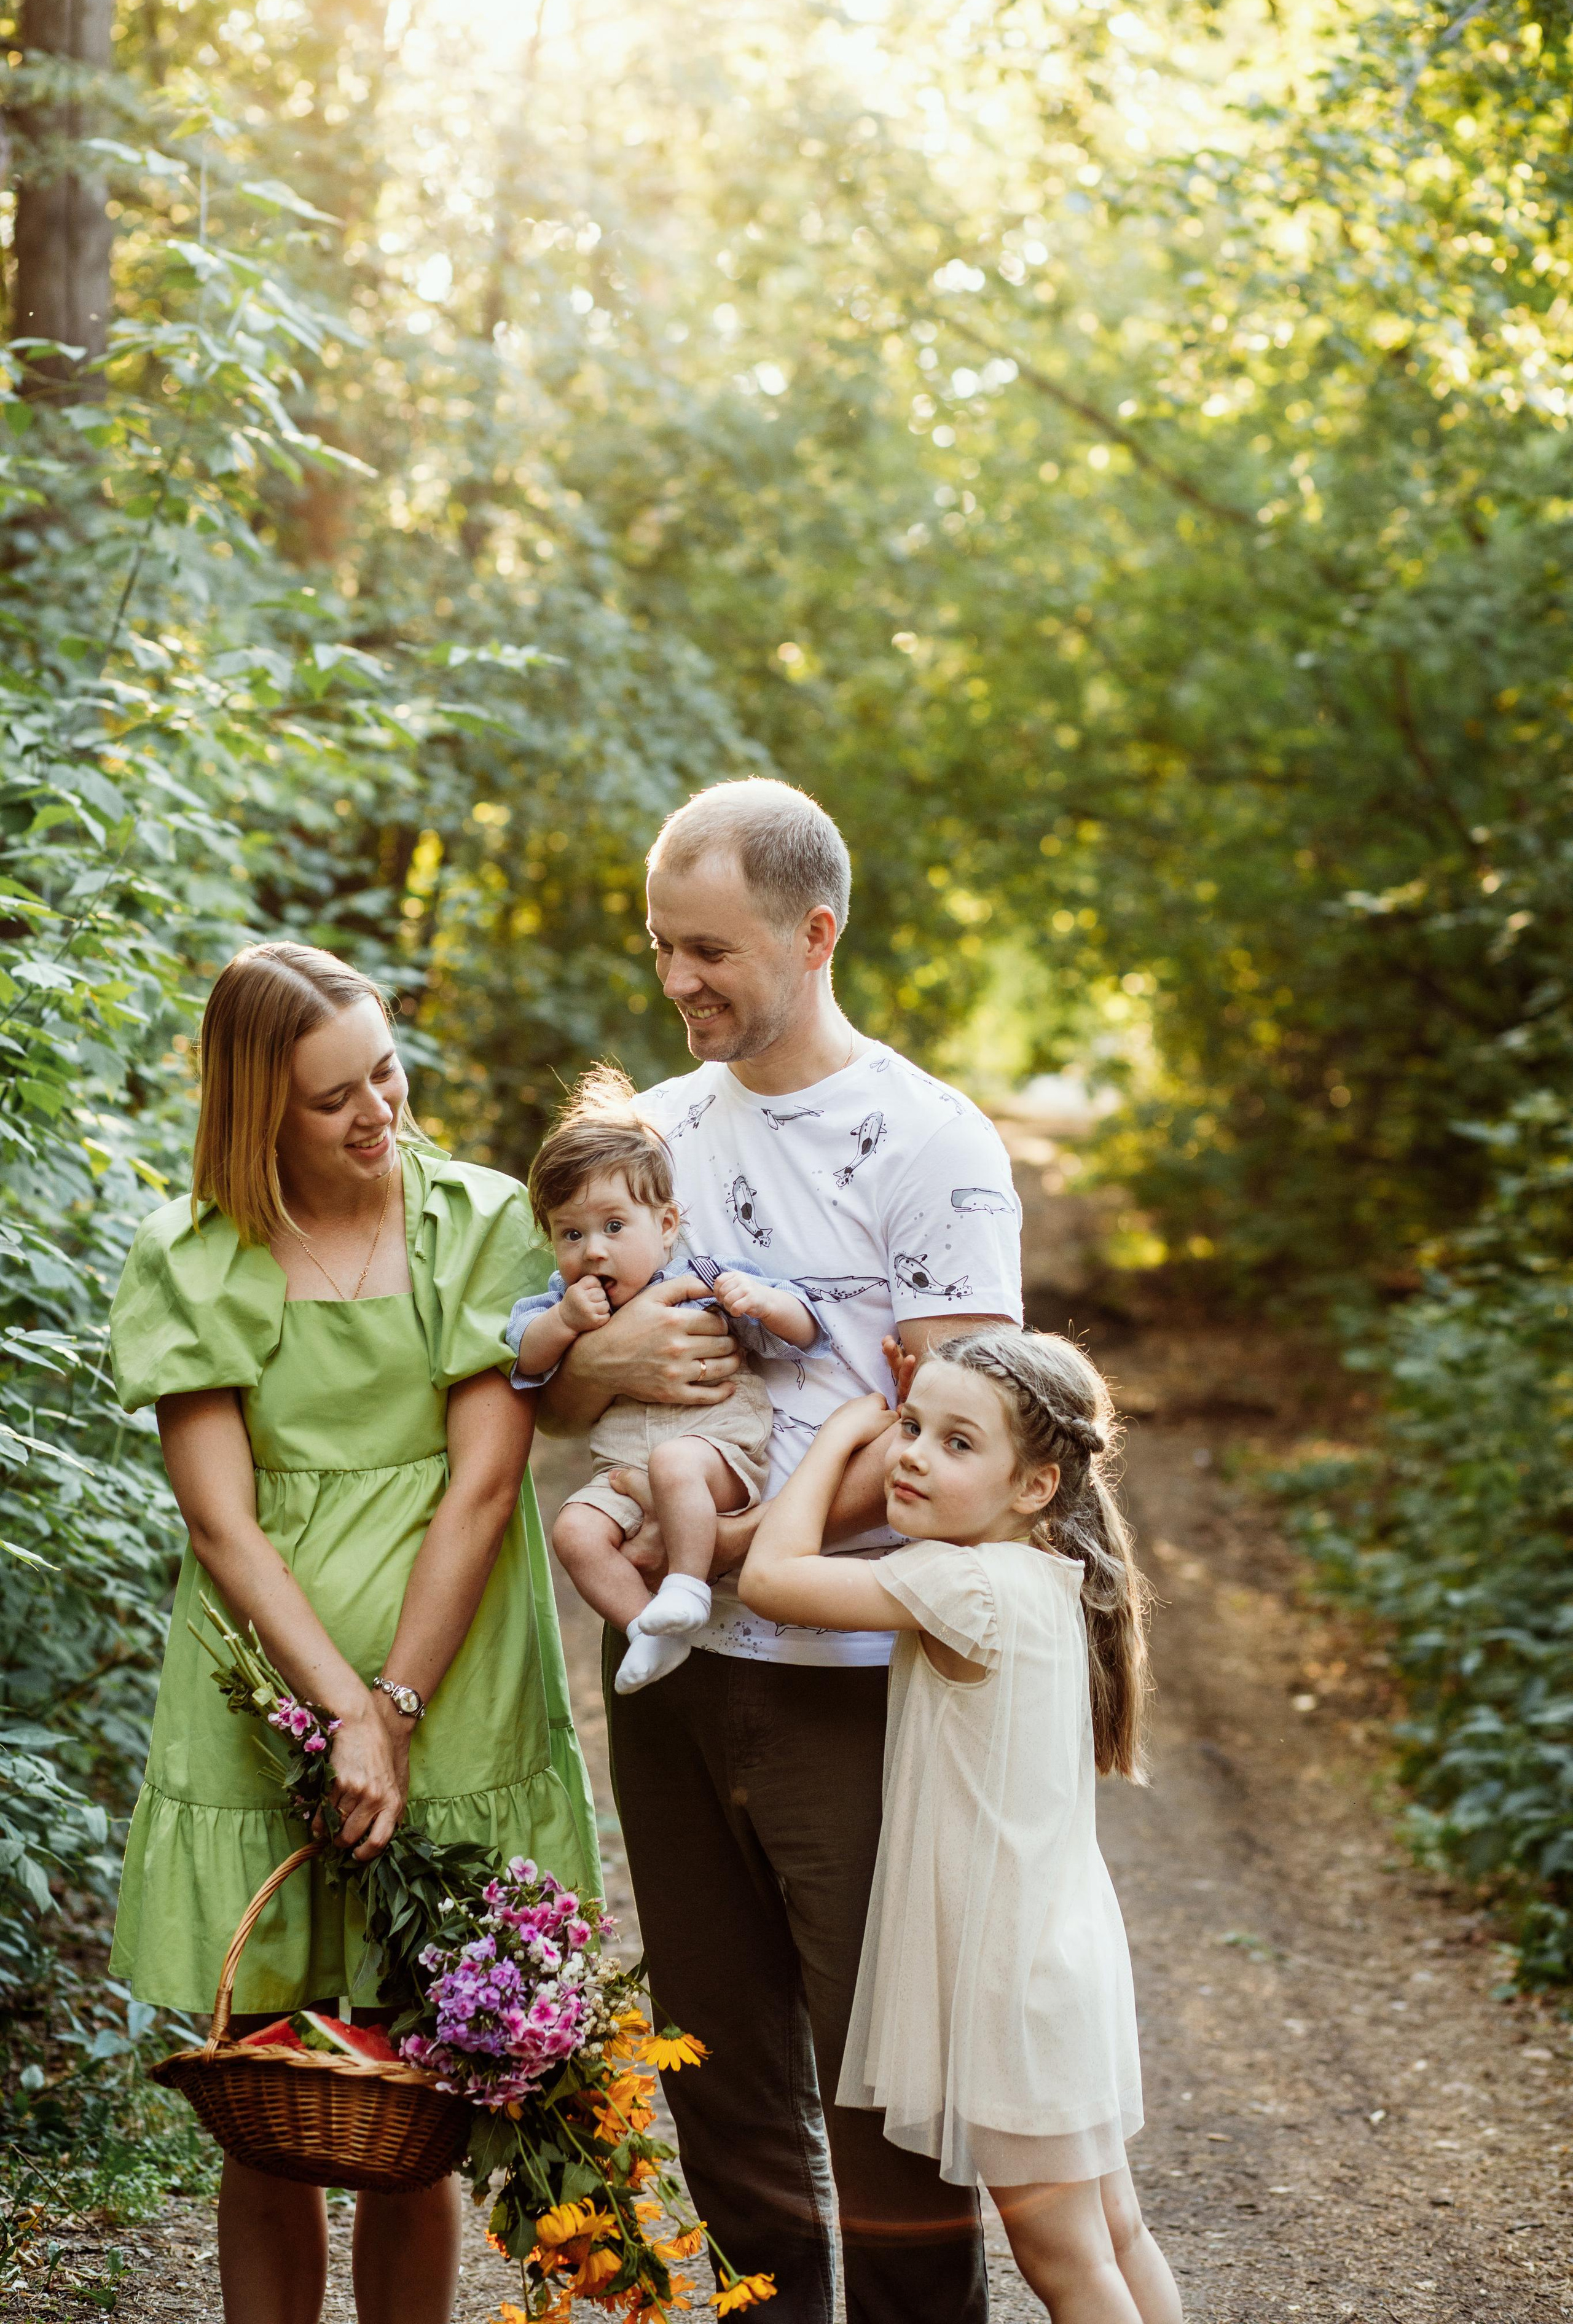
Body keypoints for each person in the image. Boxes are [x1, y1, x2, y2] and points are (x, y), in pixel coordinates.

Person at [539, 778, 1022, 2324]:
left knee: (885, 2065)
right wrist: (602, 1377)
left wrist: (748, 1542)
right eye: (661, 945)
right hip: (672, 1684)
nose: (676, 979)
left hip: (857, 1680)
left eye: (708, 949)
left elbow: (974, 1444)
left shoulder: (931, 1143)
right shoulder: (644, 1139)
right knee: (718, 2065)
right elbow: (543, 1382)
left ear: (813, 934)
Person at [108, 942, 598, 2324]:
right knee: (269, 2114)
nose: (377, 1110)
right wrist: (335, 1715)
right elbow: (224, 1526)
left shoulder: (479, 1225)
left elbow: (484, 1485)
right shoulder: (197, 1257)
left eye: (385, 1071)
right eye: (333, 1099)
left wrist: (392, 1708)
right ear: (259, 1109)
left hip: (450, 1700)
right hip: (266, 1707)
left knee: (409, 2118)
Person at [738, 1331, 1182, 2324]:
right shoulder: (1044, 1579)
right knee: (1112, 2232)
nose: (912, 1456)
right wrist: (894, 1429)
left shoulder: (964, 1585)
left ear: (1036, 1485)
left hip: (1008, 1987)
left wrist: (836, 1437)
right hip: (1052, 1967)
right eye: (910, 1425)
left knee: (1065, 2260)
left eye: (957, 1443)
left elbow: (771, 1580)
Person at [506, 1066, 828, 1692]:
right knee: (573, 1531)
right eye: (571, 1234)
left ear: (667, 1225)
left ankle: (685, 1585)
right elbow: (525, 1361)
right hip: (622, 1471)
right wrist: (567, 1321)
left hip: (713, 1453)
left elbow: (806, 1330)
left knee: (676, 1463)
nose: (594, 1251)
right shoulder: (560, 1300)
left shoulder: (705, 1275)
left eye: (614, 1227)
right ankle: (648, 1632)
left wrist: (759, 1301)